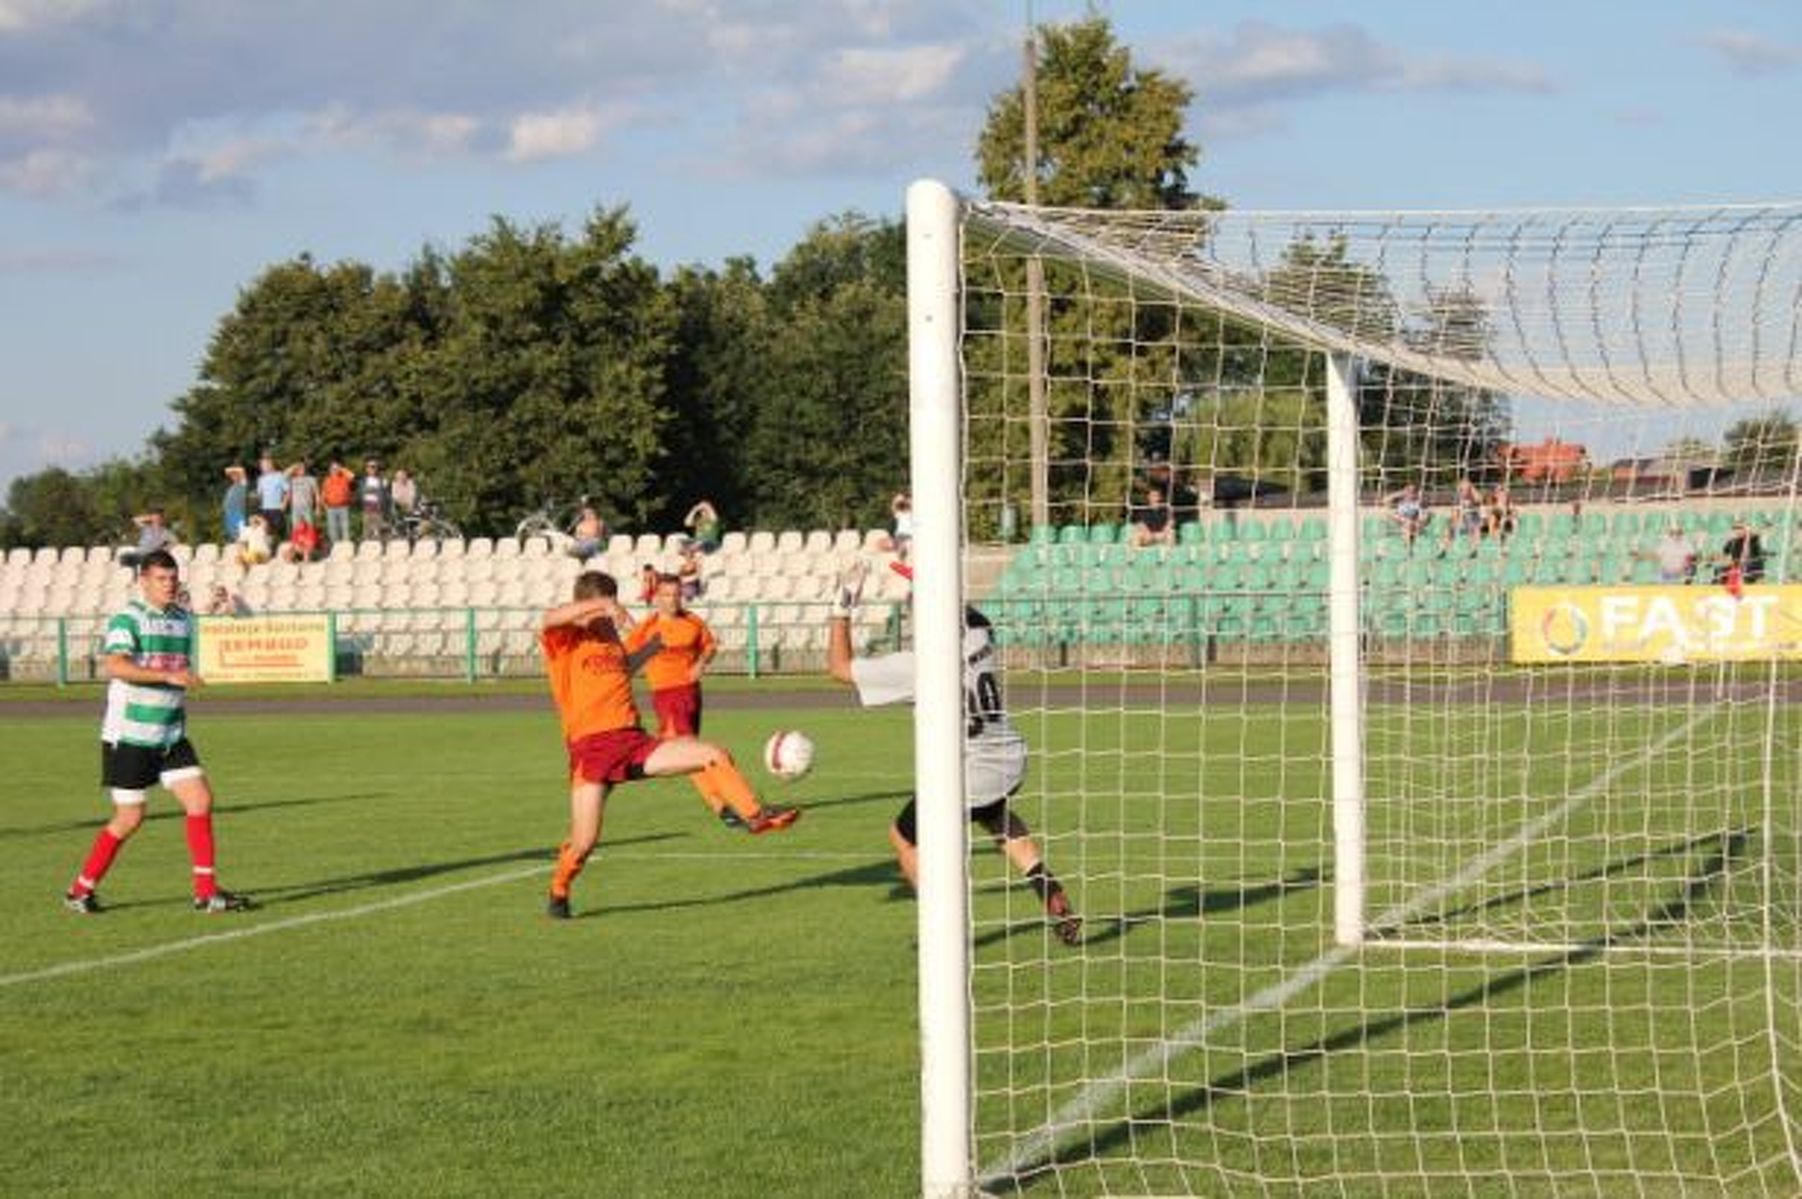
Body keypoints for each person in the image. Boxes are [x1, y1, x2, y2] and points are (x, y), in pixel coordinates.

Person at [824, 560, 1081, 945]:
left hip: (968, 771)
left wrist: (842, 607)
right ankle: (1048, 887)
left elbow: (839, 668)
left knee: (904, 838)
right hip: (1007, 757)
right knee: (995, 816)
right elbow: (965, 610)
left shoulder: (920, 666)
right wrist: (927, 574)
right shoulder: (979, 634)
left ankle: (943, 933)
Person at [538, 571, 800, 919]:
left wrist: (651, 649)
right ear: (588, 605)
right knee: (584, 842)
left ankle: (755, 815)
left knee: (713, 754)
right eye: (607, 603)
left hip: (633, 741)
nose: (613, 611)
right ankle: (559, 889)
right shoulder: (565, 639)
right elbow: (549, 617)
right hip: (592, 751)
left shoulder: (610, 638)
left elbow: (621, 669)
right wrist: (603, 605)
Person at [62, 549, 254, 914]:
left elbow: (226, 620)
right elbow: (116, 665)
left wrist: (225, 606)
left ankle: (206, 892)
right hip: (131, 735)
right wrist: (169, 675)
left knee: (200, 800)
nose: (168, 585)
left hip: (170, 732)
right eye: (161, 579)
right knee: (129, 818)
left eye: (173, 578)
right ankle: (79, 891)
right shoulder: (128, 619)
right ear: (144, 581)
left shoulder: (182, 618)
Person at [625, 573, 718, 739]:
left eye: (677, 594)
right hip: (667, 692)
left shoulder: (693, 620)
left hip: (692, 692)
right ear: (657, 597)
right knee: (678, 743)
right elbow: (627, 657)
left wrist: (701, 662)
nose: (673, 599)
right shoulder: (647, 627)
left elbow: (709, 646)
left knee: (689, 743)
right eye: (667, 595)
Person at [1716, 519, 1767, 585]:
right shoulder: (1731, 542)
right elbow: (1725, 556)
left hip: (1752, 566)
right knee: (1720, 570)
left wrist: (1748, 535)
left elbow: (1746, 555)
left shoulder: (1753, 539)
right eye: (1735, 528)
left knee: (1744, 568)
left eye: (1740, 528)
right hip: (1737, 566)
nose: (1738, 530)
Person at [321, 459, 356, 546]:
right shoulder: (327, 480)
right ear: (329, 470)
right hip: (331, 508)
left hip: (344, 507)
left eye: (336, 468)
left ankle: (346, 548)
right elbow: (323, 494)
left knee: (345, 530)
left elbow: (352, 476)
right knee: (332, 531)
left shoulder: (344, 478)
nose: (335, 470)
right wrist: (324, 506)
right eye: (333, 468)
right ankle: (335, 548)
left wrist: (342, 469)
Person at [254, 454, 289, 542]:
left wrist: (284, 503)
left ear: (271, 465)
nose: (262, 467)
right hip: (265, 509)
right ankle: (268, 549)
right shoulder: (260, 479)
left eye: (264, 465)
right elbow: (259, 495)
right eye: (261, 466)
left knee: (279, 532)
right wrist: (258, 506)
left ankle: (283, 547)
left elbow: (288, 491)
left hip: (277, 508)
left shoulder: (279, 476)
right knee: (265, 533)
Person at [1387, 483, 1429, 548]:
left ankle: (1409, 542)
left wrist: (1421, 497)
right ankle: (1408, 542)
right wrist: (1400, 493)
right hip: (1402, 519)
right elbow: (1386, 500)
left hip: (1414, 520)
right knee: (1406, 523)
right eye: (1410, 491)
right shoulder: (1401, 500)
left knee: (1413, 523)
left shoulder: (1419, 501)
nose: (1412, 493)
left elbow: (1425, 508)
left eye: (1414, 491)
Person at [358, 459, 390, 541]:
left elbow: (387, 497)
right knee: (366, 533)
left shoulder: (383, 481)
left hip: (378, 509)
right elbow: (360, 494)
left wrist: (386, 510)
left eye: (374, 466)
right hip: (366, 509)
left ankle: (380, 547)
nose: (371, 468)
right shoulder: (362, 481)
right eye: (369, 466)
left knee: (379, 532)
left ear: (377, 468)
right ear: (366, 469)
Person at [287, 459, 320, 535]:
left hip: (307, 507)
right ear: (296, 470)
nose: (301, 470)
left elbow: (317, 494)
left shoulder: (311, 479)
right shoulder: (292, 480)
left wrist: (317, 507)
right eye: (299, 468)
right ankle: (297, 541)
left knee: (310, 527)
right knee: (296, 529)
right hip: (295, 508)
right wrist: (294, 466)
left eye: (303, 468)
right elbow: (284, 475)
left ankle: (311, 540)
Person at [221, 465, 248, 543]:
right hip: (229, 513)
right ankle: (238, 548)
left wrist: (231, 470)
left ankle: (243, 549)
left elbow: (241, 470)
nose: (233, 477)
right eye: (232, 476)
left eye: (236, 475)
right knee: (234, 536)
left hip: (238, 513)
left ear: (240, 476)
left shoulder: (243, 484)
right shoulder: (232, 487)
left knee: (241, 535)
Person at [888, 492, 914, 558]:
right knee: (899, 555)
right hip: (901, 536)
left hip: (910, 537)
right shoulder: (900, 513)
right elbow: (894, 507)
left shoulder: (914, 513)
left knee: (910, 554)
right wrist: (898, 498)